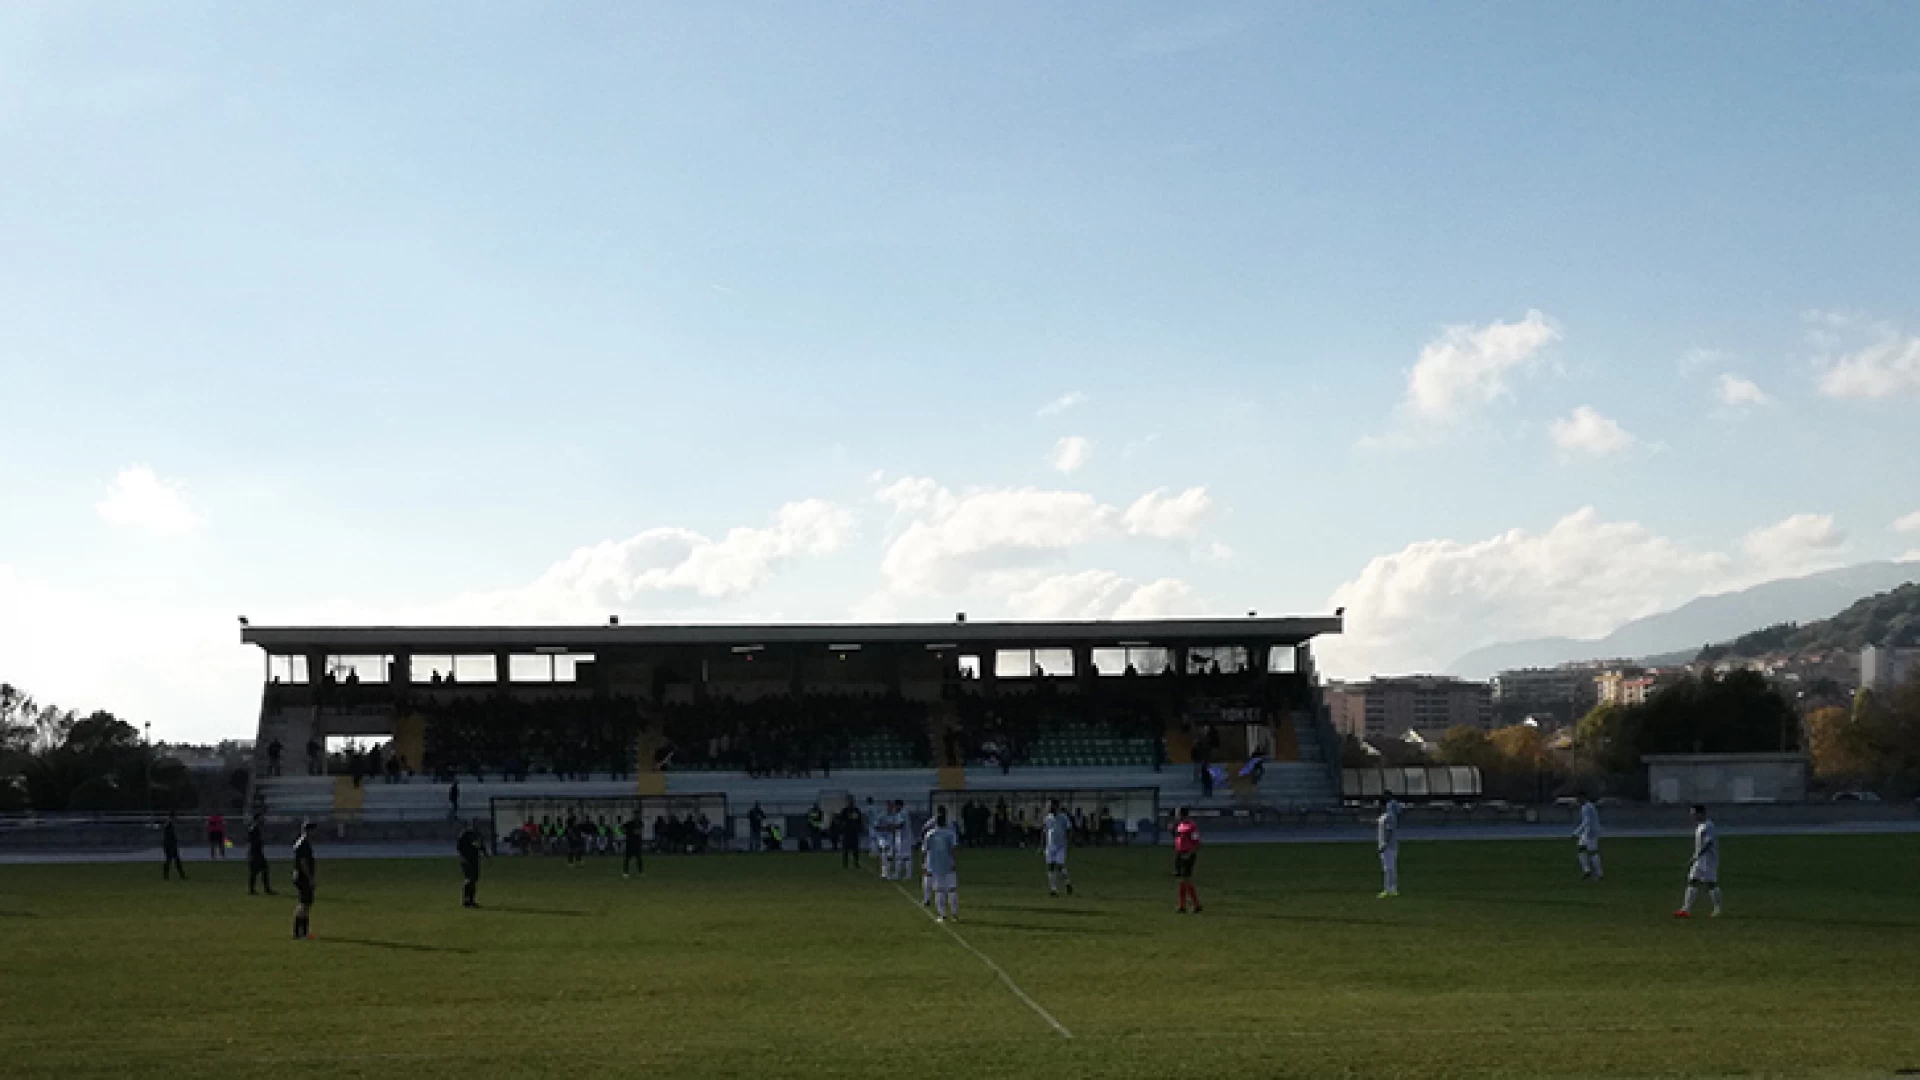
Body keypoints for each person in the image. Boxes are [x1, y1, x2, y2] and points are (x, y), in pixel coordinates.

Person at [1675, 804, 1722, 918]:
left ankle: (1717, 909)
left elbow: (1708, 843)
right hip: (1699, 860)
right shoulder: (1700, 826)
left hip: (1708, 860)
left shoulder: (1708, 826)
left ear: (1701, 813)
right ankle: (1686, 909)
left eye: (1694, 813)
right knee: (1692, 881)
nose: (1692, 816)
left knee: (1710, 884)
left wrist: (1697, 855)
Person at [923, 806, 960, 922]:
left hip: (935, 865)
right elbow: (954, 849)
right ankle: (954, 914)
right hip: (948, 864)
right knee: (952, 889)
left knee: (939, 890)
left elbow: (925, 850)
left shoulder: (930, 834)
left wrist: (924, 864)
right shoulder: (950, 833)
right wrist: (954, 861)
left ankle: (942, 915)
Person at [1042, 799, 1074, 897]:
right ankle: (1053, 889)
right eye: (1048, 806)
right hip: (1050, 846)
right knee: (1050, 867)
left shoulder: (1063, 817)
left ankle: (1067, 882)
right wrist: (1041, 845)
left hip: (1061, 846)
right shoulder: (1047, 818)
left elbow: (1069, 830)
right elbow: (1044, 832)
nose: (1049, 808)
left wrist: (1069, 842)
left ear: (1056, 806)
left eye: (1051, 806)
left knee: (1059, 866)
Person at [1173, 807, 1201, 913]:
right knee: (1181, 880)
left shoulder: (1192, 826)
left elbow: (1196, 841)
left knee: (1186, 879)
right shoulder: (1179, 826)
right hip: (1179, 854)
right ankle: (1182, 905)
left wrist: (1189, 853)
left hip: (1187, 854)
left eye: (1177, 814)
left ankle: (1195, 904)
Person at [292, 822, 317, 940]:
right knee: (303, 904)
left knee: (306, 904)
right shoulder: (304, 844)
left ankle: (304, 931)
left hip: (300, 876)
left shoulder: (301, 842)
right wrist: (310, 878)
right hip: (303, 877)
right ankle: (298, 932)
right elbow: (303, 863)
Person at [1574, 795, 1604, 881]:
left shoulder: (1587, 807)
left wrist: (1576, 832)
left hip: (1591, 833)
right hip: (1587, 833)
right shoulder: (1589, 806)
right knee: (1581, 849)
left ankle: (1599, 874)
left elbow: (1587, 821)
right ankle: (1587, 870)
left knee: (1592, 852)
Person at [1377, 790, 1401, 899]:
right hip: (1389, 845)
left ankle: (1389, 889)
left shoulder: (1389, 816)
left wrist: (1384, 844)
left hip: (1388, 846)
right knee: (1390, 868)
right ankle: (1391, 888)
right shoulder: (1387, 815)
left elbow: (1389, 831)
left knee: (1389, 868)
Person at [457, 821, 486, 908]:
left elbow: (481, 846)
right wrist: (465, 856)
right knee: (469, 878)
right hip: (466, 859)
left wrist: (485, 854)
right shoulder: (465, 834)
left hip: (475, 859)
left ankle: (472, 900)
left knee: (474, 880)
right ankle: (466, 900)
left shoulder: (478, 834)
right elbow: (459, 847)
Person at [246, 814, 274, 895]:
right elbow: (252, 840)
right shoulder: (254, 828)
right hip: (255, 852)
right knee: (255, 871)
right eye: (261, 818)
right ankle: (253, 890)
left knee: (264, 869)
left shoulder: (255, 828)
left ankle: (265, 888)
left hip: (257, 852)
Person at [837, 800, 865, 869]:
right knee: (845, 849)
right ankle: (845, 864)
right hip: (847, 832)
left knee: (855, 849)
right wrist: (842, 829)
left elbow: (860, 820)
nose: (851, 803)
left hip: (854, 832)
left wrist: (860, 828)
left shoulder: (856, 810)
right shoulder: (844, 811)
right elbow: (841, 821)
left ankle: (856, 863)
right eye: (850, 802)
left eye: (852, 802)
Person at [161, 812, 187, 881]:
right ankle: (166, 875)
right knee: (169, 860)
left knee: (176, 860)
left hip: (172, 845)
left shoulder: (171, 824)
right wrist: (169, 820)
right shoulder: (168, 823)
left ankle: (182, 875)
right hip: (169, 845)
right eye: (174, 818)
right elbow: (166, 826)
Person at [622, 814, 645, 878]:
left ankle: (640, 872)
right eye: (635, 816)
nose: (636, 817)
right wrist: (624, 832)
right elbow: (620, 829)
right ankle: (625, 873)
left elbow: (638, 831)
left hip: (637, 844)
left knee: (639, 858)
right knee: (627, 859)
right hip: (630, 843)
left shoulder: (640, 823)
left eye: (637, 816)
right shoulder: (629, 823)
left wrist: (628, 832)